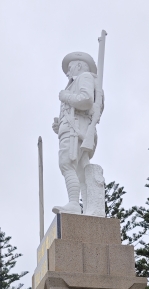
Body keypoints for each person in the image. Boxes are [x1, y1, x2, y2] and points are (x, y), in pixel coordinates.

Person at [52, 51, 102, 215]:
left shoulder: (84, 77)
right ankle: (90, 207)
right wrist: (59, 127)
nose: (68, 71)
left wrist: (65, 96)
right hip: (73, 129)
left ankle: (74, 204)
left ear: (79, 65)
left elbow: (86, 100)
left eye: (70, 66)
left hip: (76, 131)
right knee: (81, 172)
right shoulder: (77, 81)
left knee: (67, 164)